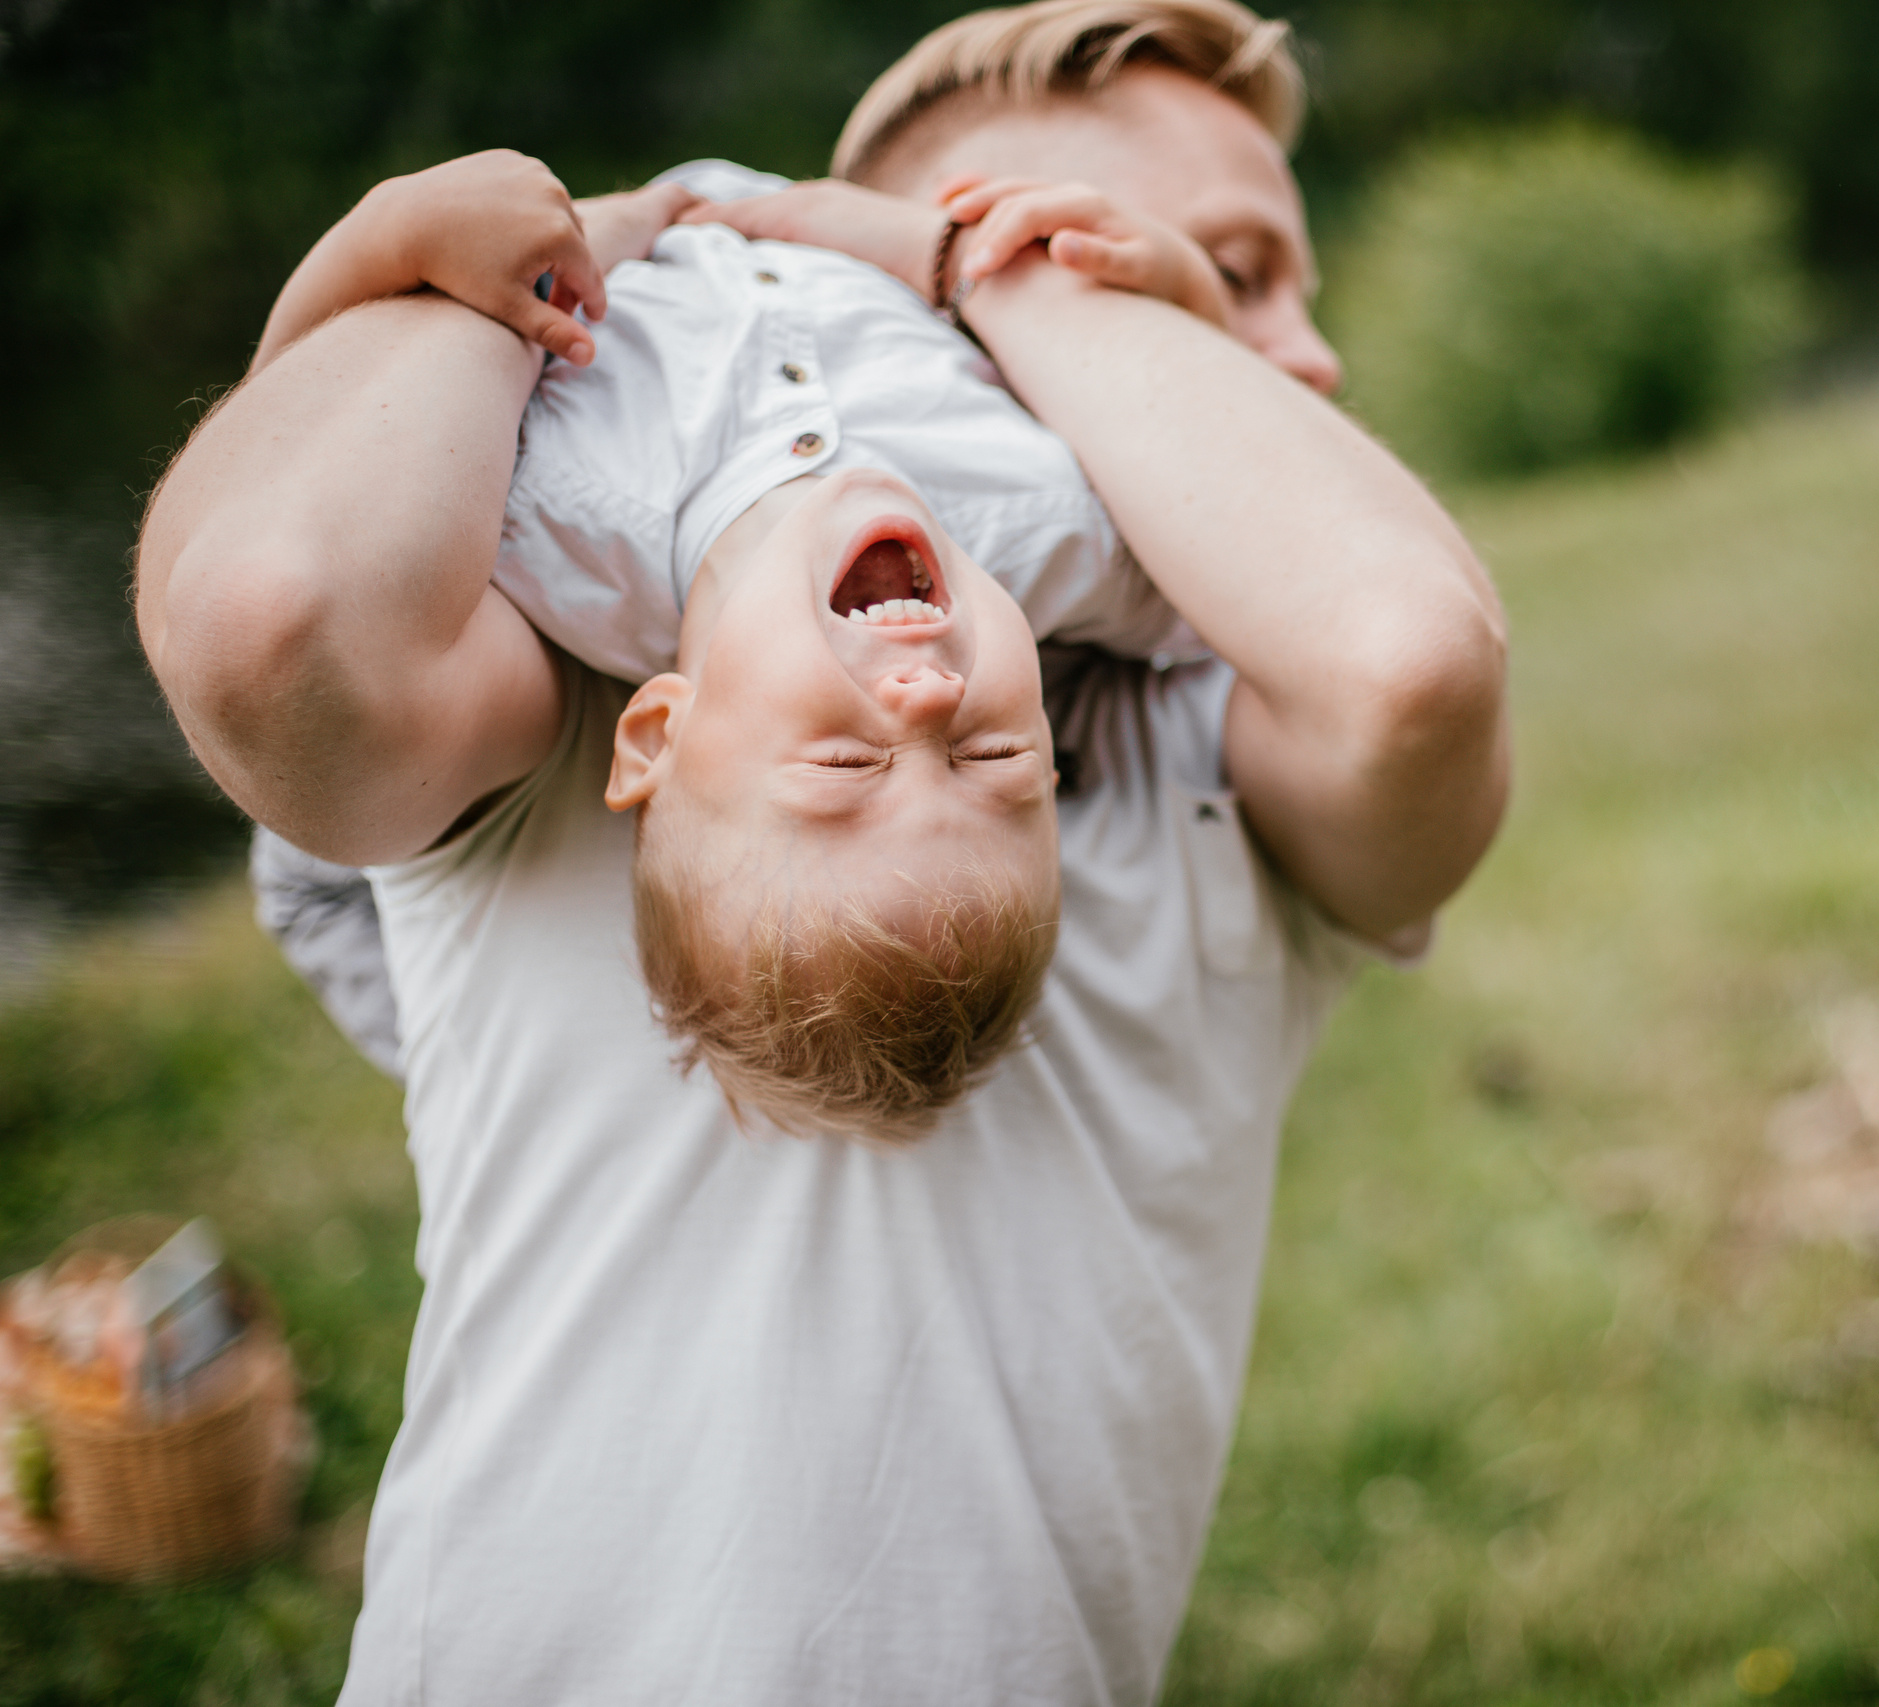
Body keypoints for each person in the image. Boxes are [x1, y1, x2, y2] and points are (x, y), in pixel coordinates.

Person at [137, 2, 1509, 1700]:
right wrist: (490, 271)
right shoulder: (571, 695)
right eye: (1234, 271)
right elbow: (266, 617)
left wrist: (1018, 284)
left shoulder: (1233, 749)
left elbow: (1412, 658)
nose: (1305, 359)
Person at [247, 148, 1231, 1131]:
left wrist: (383, 239)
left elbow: (290, 461)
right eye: (993, 754)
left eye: (847, 764)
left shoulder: (533, 538)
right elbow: (1244, 472)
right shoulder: (1080, 537)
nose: (931, 701)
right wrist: (1175, 290)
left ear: (657, 737)